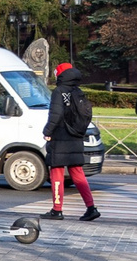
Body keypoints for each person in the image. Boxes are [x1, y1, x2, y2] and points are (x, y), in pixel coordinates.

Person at [42, 63, 101, 220]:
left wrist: (47, 132)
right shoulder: (78, 91)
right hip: (75, 137)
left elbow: (56, 114)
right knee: (78, 174)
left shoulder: (59, 92)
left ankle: (57, 209)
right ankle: (91, 208)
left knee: (57, 173)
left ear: (60, 75)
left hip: (60, 138)